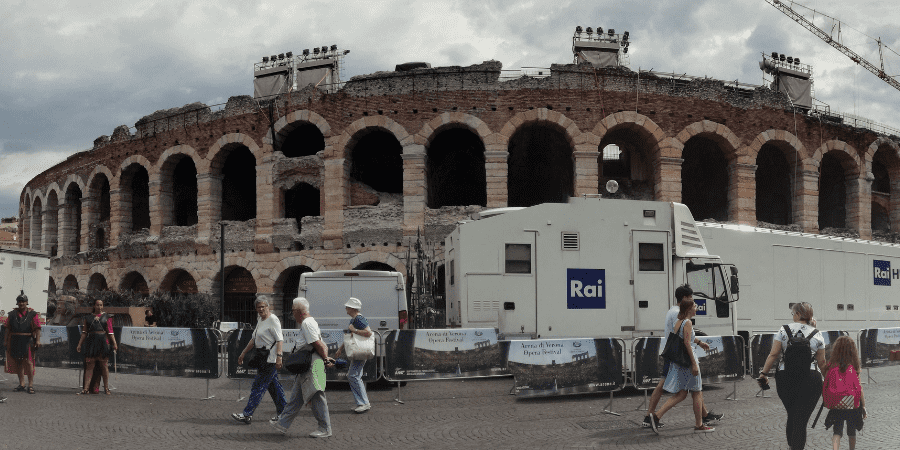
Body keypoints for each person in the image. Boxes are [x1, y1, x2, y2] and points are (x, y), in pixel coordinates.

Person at [643, 285, 722, 431]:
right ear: (685, 300)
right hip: (683, 359)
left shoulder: (677, 316)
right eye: (692, 300)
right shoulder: (682, 318)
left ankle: (654, 416)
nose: (694, 304)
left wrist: (698, 342)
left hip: (678, 358)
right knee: (689, 391)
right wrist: (694, 363)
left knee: (684, 392)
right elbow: (685, 341)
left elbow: (683, 336)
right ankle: (653, 416)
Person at [759, 302, 826, 450]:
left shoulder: (784, 330)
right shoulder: (817, 333)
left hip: (785, 377)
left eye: (793, 314)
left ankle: (792, 446)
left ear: (797, 314)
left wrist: (764, 373)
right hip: (811, 379)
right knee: (800, 419)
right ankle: (796, 447)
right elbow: (822, 362)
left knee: (793, 413)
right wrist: (828, 381)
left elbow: (774, 354)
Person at [270, 297, 335, 438]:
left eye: (293, 311)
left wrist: (325, 359)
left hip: (312, 365)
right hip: (307, 366)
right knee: (295, 398)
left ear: (299, 311)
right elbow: (320, 344)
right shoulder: (308, 323)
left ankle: (325, 428)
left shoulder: (307, 323)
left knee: (316, 395)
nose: (292, 314)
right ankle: (282, 424)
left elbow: (319, 344)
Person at [233, 297, 286, 424]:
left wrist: (279, 357)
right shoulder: (260, 320)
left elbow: (280, 339)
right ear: (256, 309)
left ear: (268, 307)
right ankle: (284, 413)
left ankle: (247, 414)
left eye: (263, 306)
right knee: (274, 388)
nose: (261, 309)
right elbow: (253, 339)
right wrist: (243, 353)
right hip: (263, 358)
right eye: (258, 307)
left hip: (270, 359)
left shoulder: (273, 320)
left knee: (258, 386)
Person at [823, 336, 866, 450]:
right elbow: (859, 387)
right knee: (851, 432)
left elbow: (827, 383)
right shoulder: (854, 366)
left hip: (836, 403)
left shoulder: (831, 365)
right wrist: (864, 406)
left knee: (837, 431)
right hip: (852, 404)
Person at [334, 297, 373, 413]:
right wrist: (340, 349)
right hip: (359, 352)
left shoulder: (358, 319)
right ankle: (362, 402)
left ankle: (363, 403)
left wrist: (354, 331)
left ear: (352, 308)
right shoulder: (355, 320)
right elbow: (350, 336)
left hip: (359, 352)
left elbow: (368, 333)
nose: (346, 308)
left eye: (347, 306)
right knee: (355, 376)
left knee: (353, 376)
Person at [75, 299, 118, 395]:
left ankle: (106, 388)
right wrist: (79, 344)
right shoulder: (88, 318)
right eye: (97, 305)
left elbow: (110, 332)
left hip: (103, 343)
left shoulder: (107, 317)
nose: (99, 307)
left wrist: (114, 343)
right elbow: (84, 332)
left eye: (101, 305)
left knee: (104, 366)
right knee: (90, 366)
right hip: (91, 343)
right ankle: (85, 388)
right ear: (94, 306)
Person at [5, 293, 41, 394]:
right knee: (19, 362)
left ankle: (30, 385)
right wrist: (5, 341)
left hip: (27, 340)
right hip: (15, 340)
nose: (21, 303)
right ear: (17, 303)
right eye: (20, 301)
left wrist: (37, 340)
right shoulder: (11, 314)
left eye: (23, 301)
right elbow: (7, 329)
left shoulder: (32, 314)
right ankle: (22, 384)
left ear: (26, 302)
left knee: (29, 363)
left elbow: (37, 328)